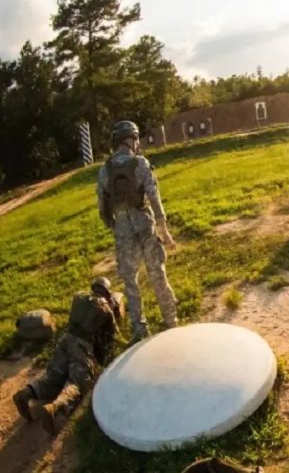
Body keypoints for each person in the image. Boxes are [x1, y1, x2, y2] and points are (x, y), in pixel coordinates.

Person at [96, 120, 178, 341]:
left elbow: (103, 210)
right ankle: (171, 321)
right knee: (157, 274)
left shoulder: (104, 170)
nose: (138, 142)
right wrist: (165, 231)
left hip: (124, 234)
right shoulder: (140, 163)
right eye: (136, 138)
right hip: (145, 227)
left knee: (131, 283)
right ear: (130, 139)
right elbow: (154, 198)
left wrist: (117, 227)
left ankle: (140, 330)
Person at [12, 277, 120, 435]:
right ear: (107, 292)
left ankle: (26, 394)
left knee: (53, 375)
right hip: (82, 345)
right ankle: (55, 408)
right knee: (79, 382)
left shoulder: (79, 296)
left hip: (65, 340)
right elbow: (113, 335)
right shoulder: (105, 309)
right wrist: (113, 310)